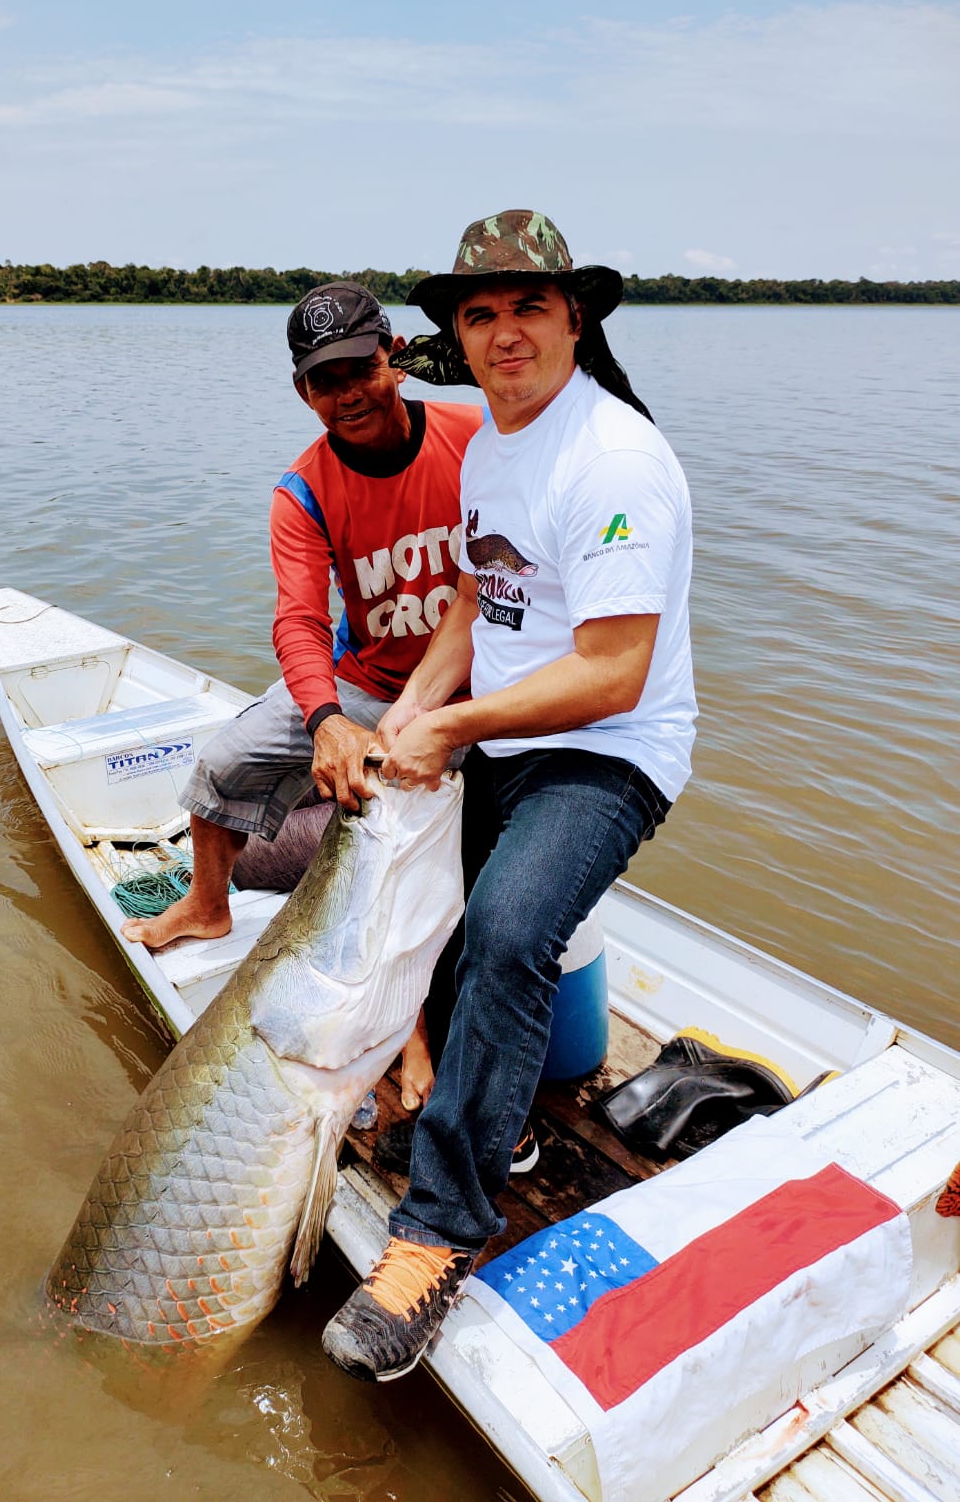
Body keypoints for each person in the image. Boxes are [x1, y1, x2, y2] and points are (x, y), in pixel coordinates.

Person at [321, 209, 697, 1382]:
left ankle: (437, 1231)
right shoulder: (490, 445)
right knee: (413, 891)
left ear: (573, 318)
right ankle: (462, 1095)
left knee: (512, 930)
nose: (504, 332)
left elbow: (612, 671)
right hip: (509, 733)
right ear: (456, 339)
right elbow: (477, 606)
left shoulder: (615, 458)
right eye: (479, 315)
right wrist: (406, 716)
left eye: (528, 306)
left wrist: (456, 724)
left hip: (611, 749)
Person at [121, 281, 484, 1100]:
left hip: (474, 685)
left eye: (359, 366)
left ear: (391, 359)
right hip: (363, 684)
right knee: (224, 764)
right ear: (303, 392)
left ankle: (415, 1031)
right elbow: (298, 623)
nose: (347, 392)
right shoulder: (303, 489)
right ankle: (205, 904)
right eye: (326, 380)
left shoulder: (471, 440)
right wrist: (324, 718)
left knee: (421, 856)